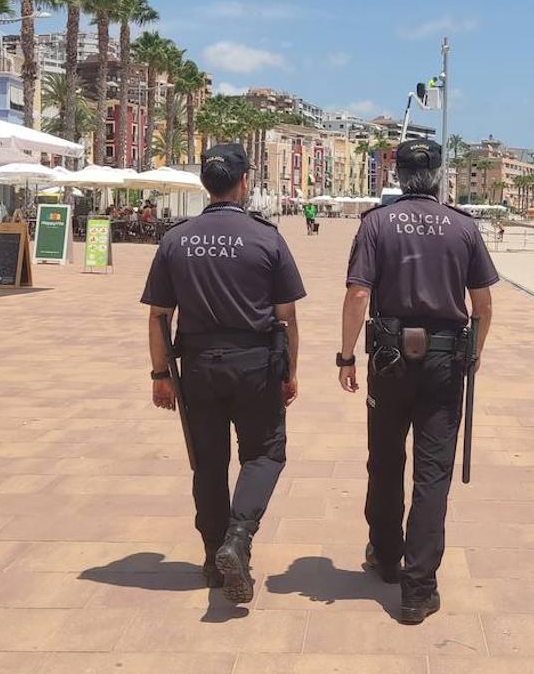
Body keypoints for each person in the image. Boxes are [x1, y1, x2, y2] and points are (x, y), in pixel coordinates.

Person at [338, 139, 497, 625]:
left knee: (384, 460)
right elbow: (484, 307)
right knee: (432, 473)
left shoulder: (374, 224)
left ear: (398, 173)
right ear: (439, 174)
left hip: (387, 358)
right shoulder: (463, 227)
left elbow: (357, 294)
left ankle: (386, 557)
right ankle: (419, 587)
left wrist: (346, 356)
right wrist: (473, 356)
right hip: (446, 359)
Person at [141, 142, 305, 604]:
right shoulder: (266, 237)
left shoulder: (177, 238)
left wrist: (160, 374)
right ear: (244, 182)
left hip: (198, 367)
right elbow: (286, 315)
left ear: (204, 184)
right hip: (255, 364)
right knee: (265, 454)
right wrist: (289, 370)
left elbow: (159, 315)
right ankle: (239, 537)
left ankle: (215, 557)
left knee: (207, 461)